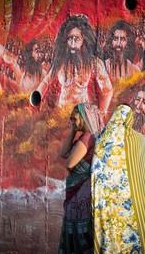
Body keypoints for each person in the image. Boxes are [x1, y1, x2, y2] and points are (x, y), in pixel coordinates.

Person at [92, 105, 145, 253]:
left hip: (108, 207)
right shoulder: (138, 140)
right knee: (134, 238)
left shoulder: (101, 142)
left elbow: (95, 173)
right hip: (131, 206)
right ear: (129, 120)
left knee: (112, 239)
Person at [35, 15, 113, 115]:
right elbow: (46, 82)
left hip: (83, 117)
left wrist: (101, 113)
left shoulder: (93, 62)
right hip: (62, 116)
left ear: (84, 40)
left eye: (77, 39)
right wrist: (37, 96)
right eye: (69, 38)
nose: (72, 44)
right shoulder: (61, 61)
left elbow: (108, 90)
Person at [57, 103, 103, 253]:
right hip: (81, 193)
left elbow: (69, 163)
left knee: (78, 234)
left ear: (84, 118)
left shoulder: (87, 137)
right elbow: (63, 153)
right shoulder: (86, 137)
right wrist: (73, 130)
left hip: (79, 195)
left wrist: (77, 133)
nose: (72, 122)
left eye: (74, 119)